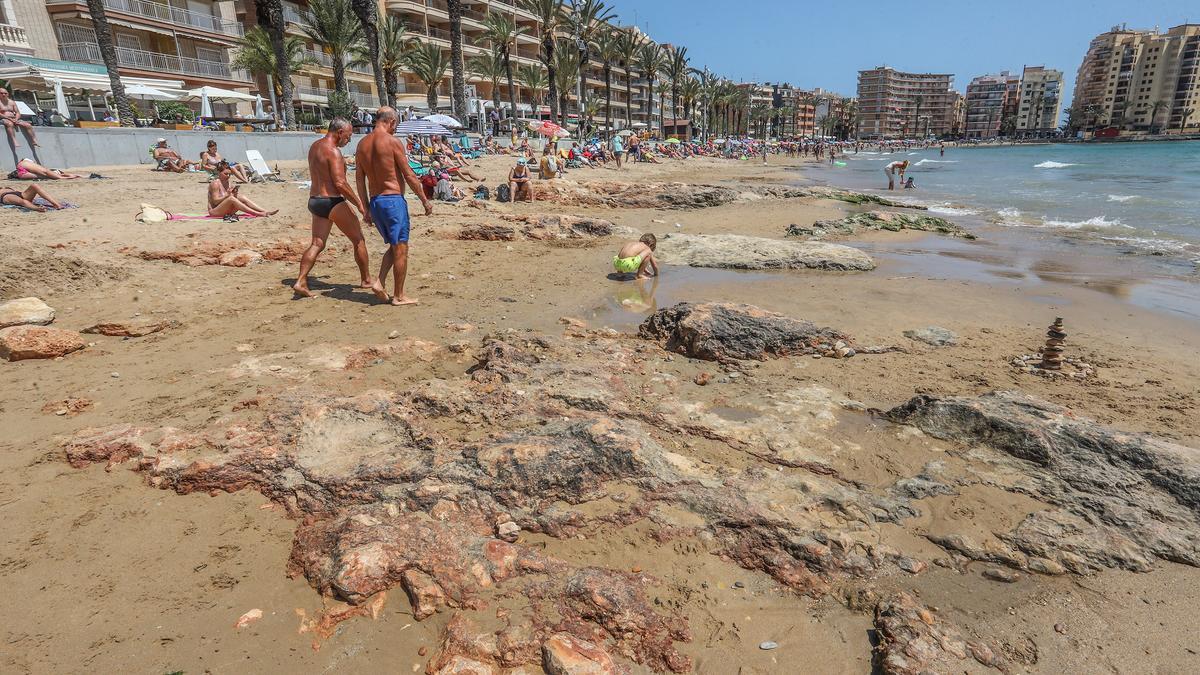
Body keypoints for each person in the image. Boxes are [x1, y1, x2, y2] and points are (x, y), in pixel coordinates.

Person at [293, 119, 389, 299]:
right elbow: (340, 183)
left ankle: (300, 281)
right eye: (348, 135)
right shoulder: (334, 152)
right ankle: (366, 279)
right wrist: (360, 204)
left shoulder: (315, 146)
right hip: (332, 201)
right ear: (339, 132)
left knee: (317, 244)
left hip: (315, 200)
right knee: (358, 239)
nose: (349, 139)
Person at [355, 107, 434, 307]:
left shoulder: (362, 144)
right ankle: (399, 295)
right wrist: (424, 199)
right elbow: (408, 174)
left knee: (394, 245)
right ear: (391, 121)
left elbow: (359, 179)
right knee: (401, 248)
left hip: (375, 201)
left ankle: (379, 282)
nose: (395, 129)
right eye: (396, 125)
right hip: (393, 201)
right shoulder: (392, 142)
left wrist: (365, 208)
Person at [207, 161, 276, 218]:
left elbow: (229, 198)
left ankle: (264, 211)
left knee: (241, 197)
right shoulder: (215, 183)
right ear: (219, 172)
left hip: (225, 210)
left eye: (229, 174)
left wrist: (234, 193)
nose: (228, 176)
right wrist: (227, 195)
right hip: (215, 211)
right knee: (231, 198)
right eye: (226, 174)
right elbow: (215, 202)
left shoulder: (228, 182)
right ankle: (258, 213)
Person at [0, 184, 64, 211]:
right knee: (23, 202)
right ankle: (38, 208)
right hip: (6, 196)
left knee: (34, 186)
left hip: (19, 193)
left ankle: (57, 205)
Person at [7, 157, 81, 180]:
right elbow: (45, 171)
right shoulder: (24, 162)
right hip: (23, 168)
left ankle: (79, 176)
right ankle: (79, 176)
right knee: (54, 175)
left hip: (22, 172)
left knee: (49, 175)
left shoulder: (23, 164)